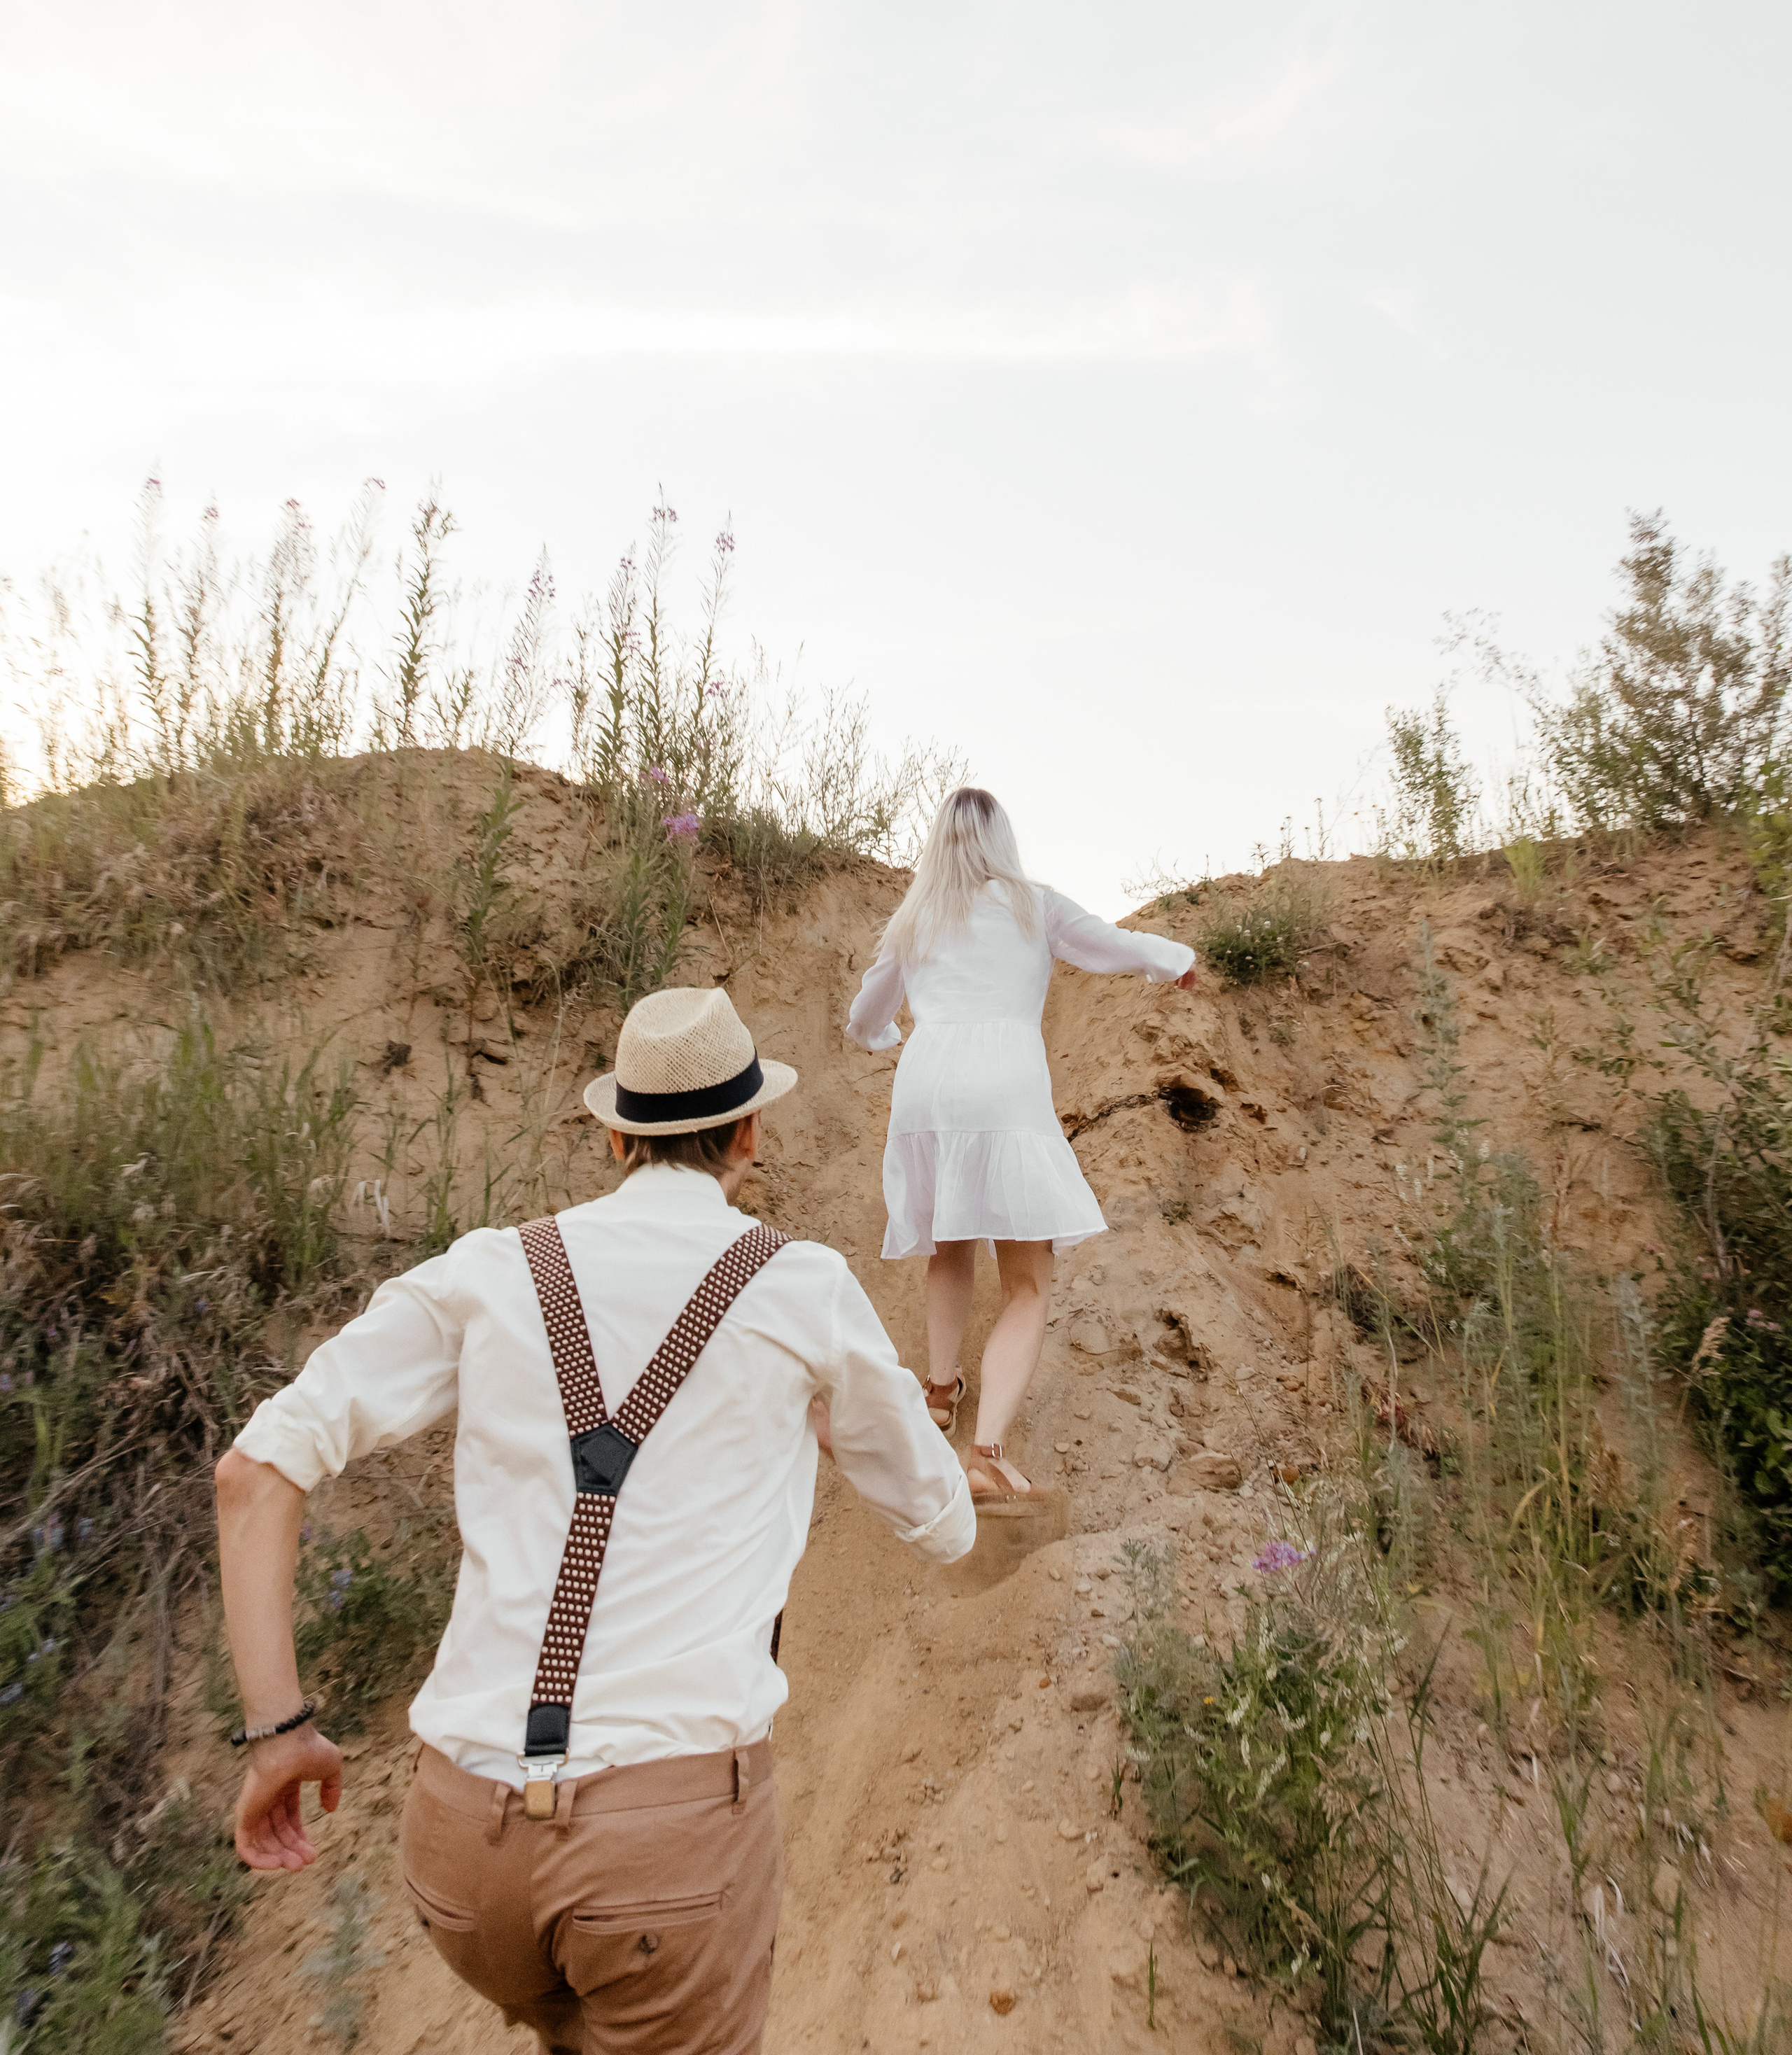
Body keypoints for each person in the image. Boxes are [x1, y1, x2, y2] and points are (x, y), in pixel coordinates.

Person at [214, 985, 973, 2055]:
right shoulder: (802, 1288)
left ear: (616, 1134)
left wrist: (278, 1735)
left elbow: (252, 1475)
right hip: (664, 1863)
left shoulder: (487, 1272)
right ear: (750, 1131)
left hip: (460, 1862)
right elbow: (934, 1514)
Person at [846, 787, 1199, 1503]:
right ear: (1000, 840)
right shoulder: (1033, 905)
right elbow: (1114, 945)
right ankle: (986, 1454)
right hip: (1002, 1087)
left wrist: (892, 1037)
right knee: (1028, 1285)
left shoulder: (914, 920)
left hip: (926, 1090)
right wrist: (1174, 960)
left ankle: (939, 1395)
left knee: (949, 1247)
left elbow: (865, 1018)